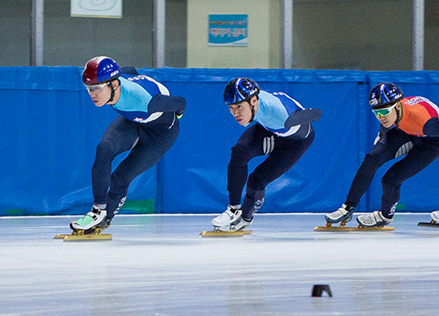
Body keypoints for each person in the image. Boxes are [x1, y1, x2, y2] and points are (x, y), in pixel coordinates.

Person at [70, 56, 185, 234]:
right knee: (105, 148)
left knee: (120, 178)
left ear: (114, 84)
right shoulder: (115, 84)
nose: (92, 94)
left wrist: (176, 117)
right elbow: (130, 70)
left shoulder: (147, 101)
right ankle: (98, 211)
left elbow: (180, 103)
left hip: (161, 134)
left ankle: (105, 219)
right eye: (89, 88)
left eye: (97, 88)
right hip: (135, 121)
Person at [323, 83, 439, 229]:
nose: (380, 117)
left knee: (391, 179)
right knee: (372, 158)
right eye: (376, 113)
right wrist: (382, 137)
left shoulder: (425, 120)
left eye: (384, 113)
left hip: (433, 142)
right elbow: (386, 124)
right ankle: (348, 208)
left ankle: (385, 216)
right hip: (408, 131)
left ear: (397, 106)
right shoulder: (394, 111)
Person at [210, 79, 322, 232]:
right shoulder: (254, 102)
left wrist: (308, 114)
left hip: (295, 142)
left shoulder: (281, 115)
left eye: (239, 107)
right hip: (271, 129)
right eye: (231, 107)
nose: (235, 113)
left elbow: (316, 113)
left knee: (257, 180)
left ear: (254, 100)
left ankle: (245, 218)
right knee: (239, 152)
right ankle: (234, 209)